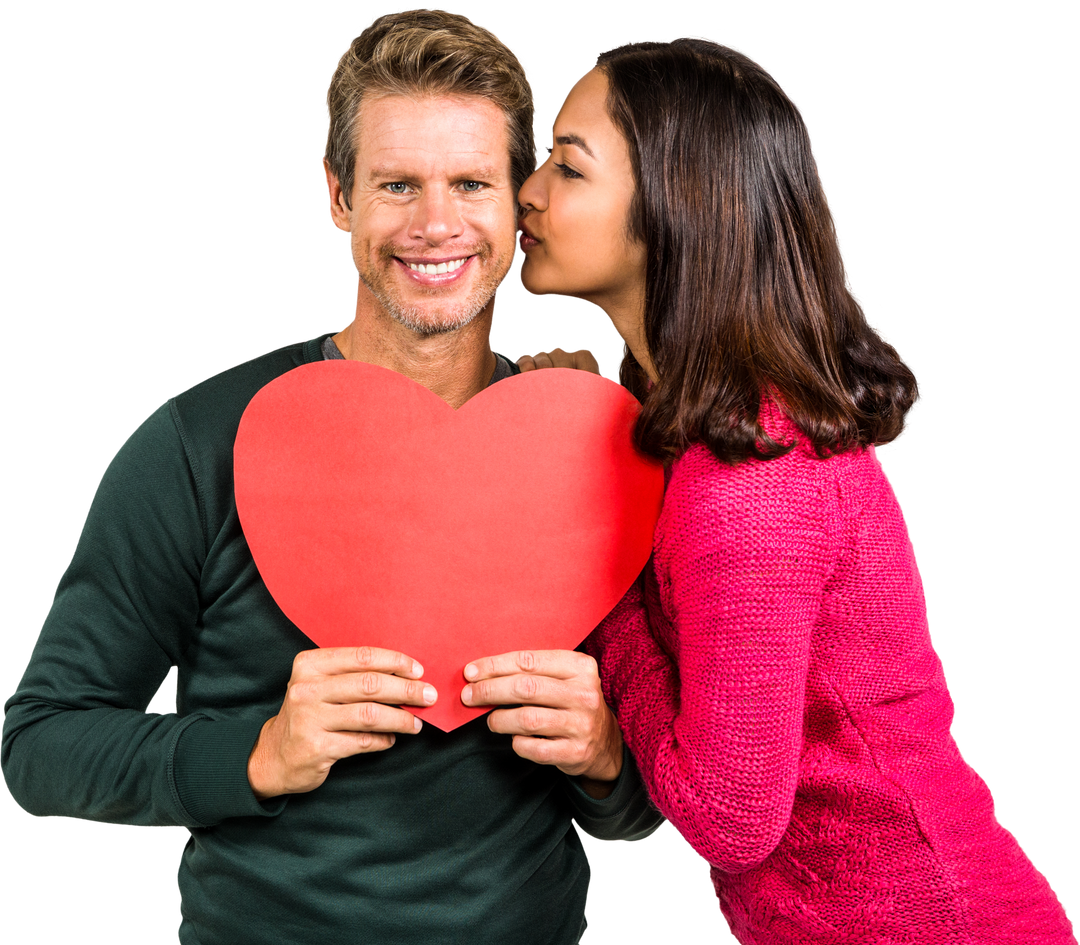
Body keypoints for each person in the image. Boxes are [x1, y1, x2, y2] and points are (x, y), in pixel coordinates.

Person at [0, 9, 664, 944]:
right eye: (397, 184)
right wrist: (260, 752)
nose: (436, 225)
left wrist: (603, 755)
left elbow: (638, 807)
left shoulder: (593, 443)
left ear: (521, 199)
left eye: (471, 182)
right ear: (337, 194)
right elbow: (41, 744)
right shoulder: (199, 443)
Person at [513, 33, 1076, 944]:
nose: (527, 191)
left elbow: (730, 819)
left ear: (674, 211)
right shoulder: (703, 426)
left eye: (568, 169)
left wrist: (605, 592)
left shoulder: (751, 486)